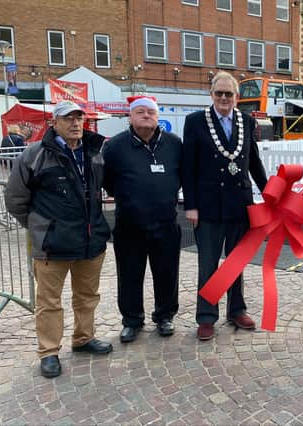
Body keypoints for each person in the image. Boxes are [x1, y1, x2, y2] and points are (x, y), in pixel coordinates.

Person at [4, 100, 112, 379]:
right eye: (69, 118)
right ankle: (49, 352)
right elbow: (15, 199)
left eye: (79, 118)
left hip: (90, 241)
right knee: (49, 301)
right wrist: (41, 227)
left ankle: (83, 338)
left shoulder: (95, 152)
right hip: (52, 244)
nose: (76, 123)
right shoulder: (34, 155)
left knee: (87, 296)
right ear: (55, 123)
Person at [182, 71, 268, 341]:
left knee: (236, 262)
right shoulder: (195, 121)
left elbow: (253, 162)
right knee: (208, 264)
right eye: (218, 93)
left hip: (239, 205)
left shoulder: (245, 120)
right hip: (207, 207)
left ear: (237, 97)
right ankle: (206, 316)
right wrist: (191, 206)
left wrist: (270, 194)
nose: (223, 98)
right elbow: (188, 166)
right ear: (211, 95)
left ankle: (236, 310)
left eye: (228, 94)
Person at [102, 96, 182, 343]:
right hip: (130, 225)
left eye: (151, 112)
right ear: (130, 116)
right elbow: (108, 181)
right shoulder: (115, 146)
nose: (146, 116)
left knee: (167, 272)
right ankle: (132, 320)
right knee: (129, 275)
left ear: (158, 117)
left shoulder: (174, 144)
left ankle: (165, 316)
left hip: (166, 222)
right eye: (140, 112)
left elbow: (182, 175)